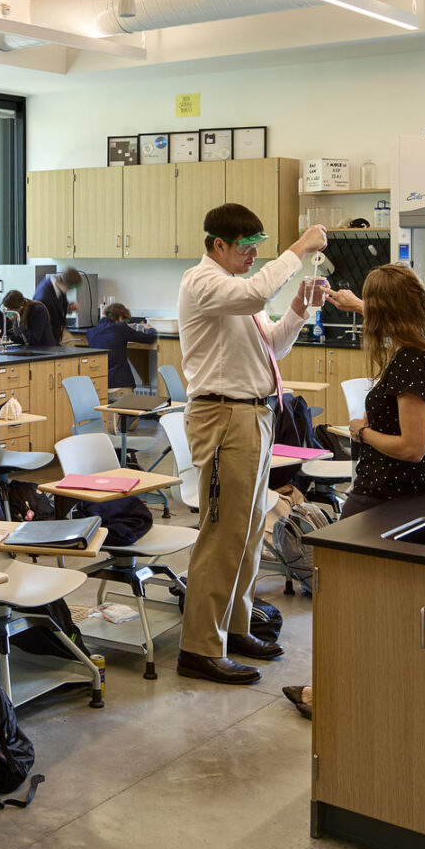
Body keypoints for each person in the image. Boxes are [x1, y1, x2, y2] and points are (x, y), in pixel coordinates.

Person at [284, 263, 425, 719]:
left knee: (342, 600)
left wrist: (360, 431)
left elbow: (411, 447)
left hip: (384, 497)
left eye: (371, 305)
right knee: (370, 604)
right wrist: (358, 304)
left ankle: (330, 694)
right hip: (407, 496)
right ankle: (352, 686)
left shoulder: (412, 361)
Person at [175, 204, 331, 686]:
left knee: (246, 534)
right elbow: (253, 293)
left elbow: (274, 347)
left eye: (257, 250)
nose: (252, 258)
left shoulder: (242, 292)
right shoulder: (203, 283)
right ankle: (199, 647)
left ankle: (234, 627)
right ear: (218, 244)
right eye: (246, 249)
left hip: (254, 414)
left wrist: (301, 311)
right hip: (224, 415)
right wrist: (298, 250)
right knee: (223, 535)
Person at [85, 300, 158, 392]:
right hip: (120, 384)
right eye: (125, 320)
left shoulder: (91, 332)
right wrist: (149, 328)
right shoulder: (120, 328)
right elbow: (150, 338)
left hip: (99, 385)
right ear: (120, 318)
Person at [34, 266, 82, 345]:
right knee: (69, 344)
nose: (71, 291)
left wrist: (69, 308)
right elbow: (42, 325)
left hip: (58, 329)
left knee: (70, 343)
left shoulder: (59, 287)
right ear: (64, 283)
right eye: (70, 288)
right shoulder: (44, 297)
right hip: (47, 333)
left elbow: (59, 308)